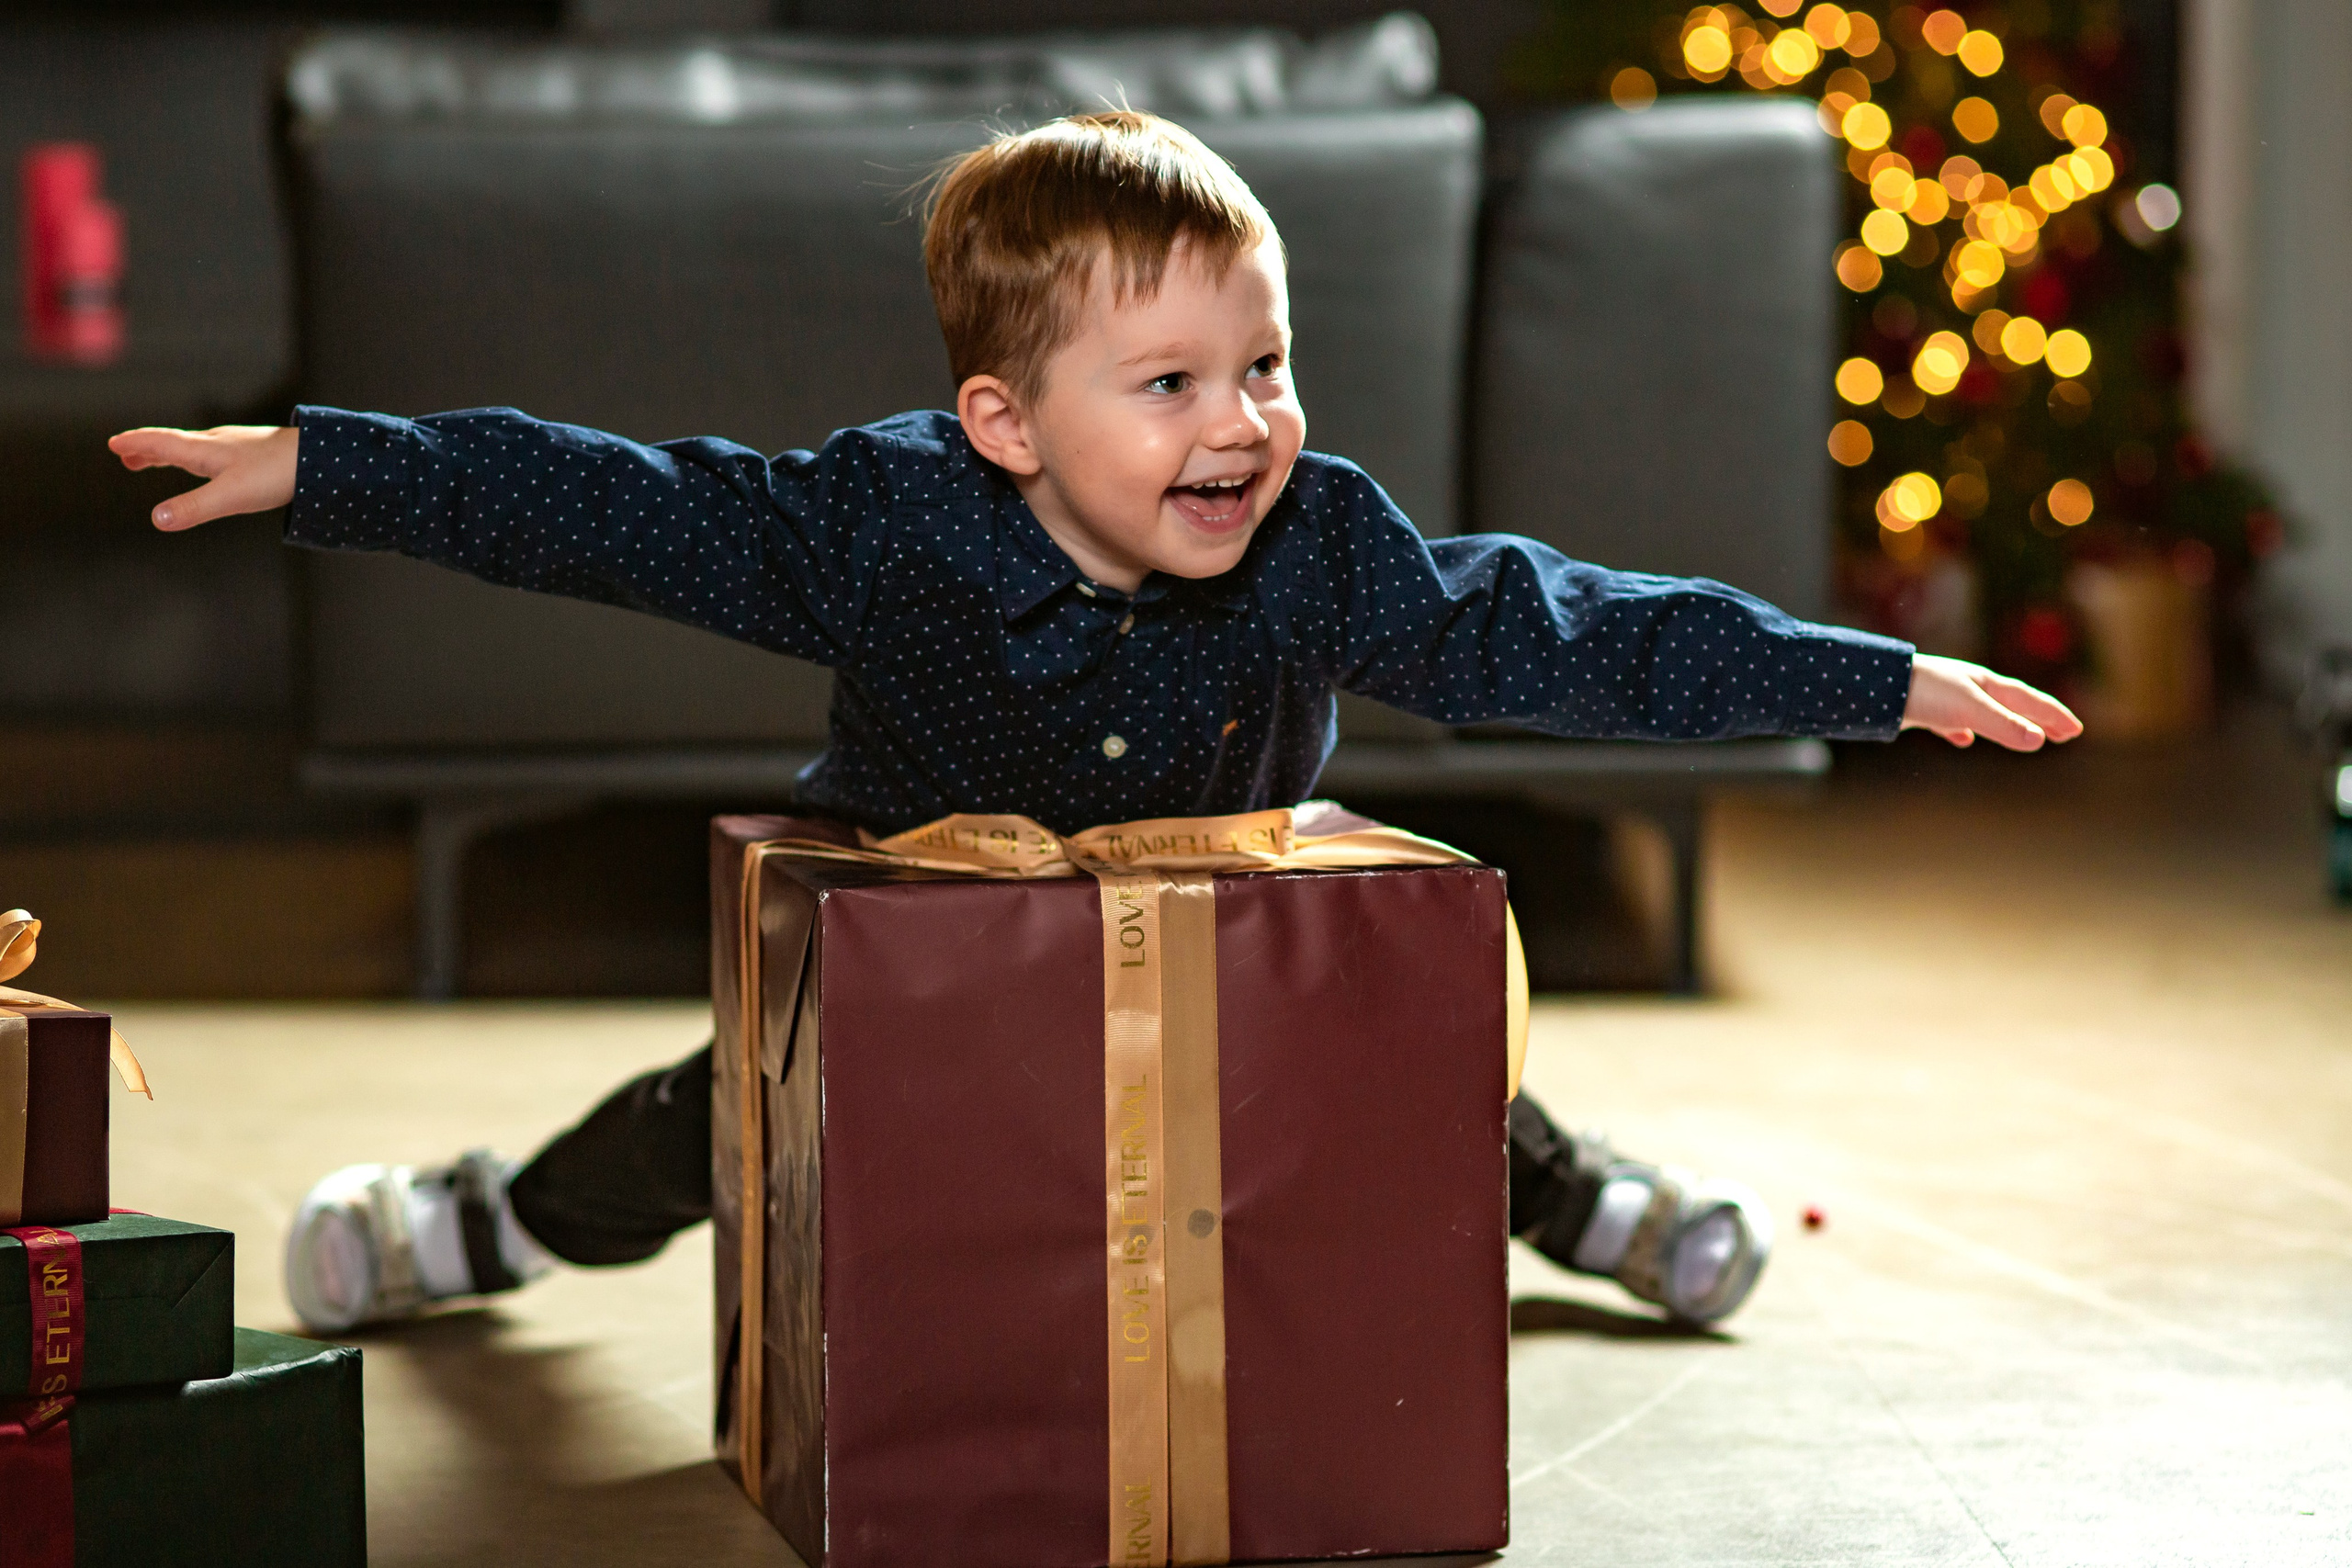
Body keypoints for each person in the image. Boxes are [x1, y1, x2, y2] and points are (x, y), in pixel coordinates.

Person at [109, 110, 2078, 1336]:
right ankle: (491, 1220)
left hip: (1219, 908)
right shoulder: (879, 529)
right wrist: (324, 465)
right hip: (926, 933)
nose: (1239, 422)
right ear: (1004, 424)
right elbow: (603, 501)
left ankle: (1573, 1195)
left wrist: (1869, 672)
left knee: (1379, 1074)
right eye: (1167, 383)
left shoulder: (1313, 537)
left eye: (1265, 363)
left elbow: (1561, 631)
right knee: (745, 1112)